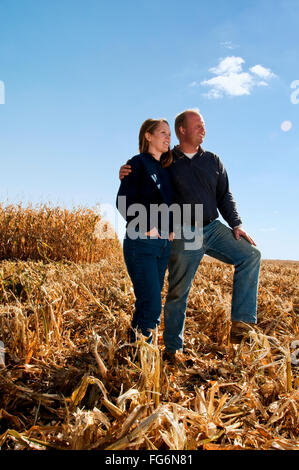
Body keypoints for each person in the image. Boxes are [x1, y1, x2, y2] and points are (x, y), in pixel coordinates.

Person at [119, 109, 261, 362]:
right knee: (178, 292)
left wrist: (236, 224)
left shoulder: (213, 160)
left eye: (204, 125)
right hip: (185, 229)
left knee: (251, 255)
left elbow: (225, 195)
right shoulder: (167, 159)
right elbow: (144, 177)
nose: (203, 129)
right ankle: (173, 350)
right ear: (181, 130)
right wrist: (127, 171)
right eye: (198, 125)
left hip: (212, 225)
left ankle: (242, 323)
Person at [116, 118, 175, 346]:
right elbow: (123, 201)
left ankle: (136, 354)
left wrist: (169, 231)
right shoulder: (138, 163)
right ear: (148, 136)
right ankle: (143, 361)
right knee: (151, 304)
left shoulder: (166, 169)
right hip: (141, 241)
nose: (168, 138)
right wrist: (147, 227)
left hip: (162, 245)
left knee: (147, 303)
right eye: (163, 133)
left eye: (170, 134)